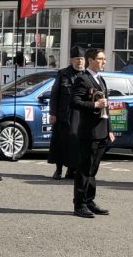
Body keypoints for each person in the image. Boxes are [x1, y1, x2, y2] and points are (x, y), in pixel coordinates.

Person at [70, 48, 113, 218]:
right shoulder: (82, 79)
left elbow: (106, 105)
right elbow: (74, 102)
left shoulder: (100, 79)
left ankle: (89, 200)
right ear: (90, 60)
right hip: (88, 131)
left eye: (104, 59)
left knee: (93, 170)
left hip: (101, 130)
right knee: (84, 169)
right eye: (101, 59)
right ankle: (79, 204)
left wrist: (109, 129)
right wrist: (94, 105)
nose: (104, 62)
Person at [49, 46, 85, 180]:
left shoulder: (87, 75)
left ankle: (72, 170)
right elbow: (54, 94)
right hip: (63, 114)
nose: (80, 62)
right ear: (71, 60)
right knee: (60, 143)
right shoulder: (63, 74)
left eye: (82, 59)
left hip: (79, 115)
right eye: (77, 59)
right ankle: (58, 170)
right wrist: (53, 113)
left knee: (75, 144)